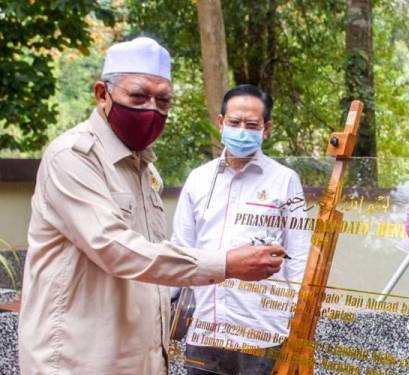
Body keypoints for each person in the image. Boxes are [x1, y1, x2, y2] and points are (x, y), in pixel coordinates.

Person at [18, 37, 286, 375]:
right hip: (78, 360)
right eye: (138, 96)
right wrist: (226, 263)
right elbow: (116, 249)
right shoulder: (72, 157)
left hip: (140, 358)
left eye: (163, 100)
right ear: (103, 94)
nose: (151, 109)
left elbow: (157, 257)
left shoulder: (145, 169)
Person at [171, 84, 309, 374]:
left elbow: (299, 257)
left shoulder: (285, 181)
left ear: (266, 129)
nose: (242, 130)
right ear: (221, 123)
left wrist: (301, 327)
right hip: (204, 331)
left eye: (251, 124)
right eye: (234, 122)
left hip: (261, 333)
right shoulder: (198, 180)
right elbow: (181, 250)